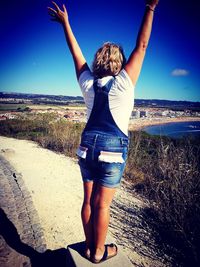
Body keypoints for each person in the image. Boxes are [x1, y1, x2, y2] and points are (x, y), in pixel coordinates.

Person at [48, 0, 159, 263]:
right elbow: (142, 46)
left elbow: (75, 53)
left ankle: (89, 245)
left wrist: (66, 23)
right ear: (119, 62)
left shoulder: (87, 82)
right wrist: (150, 8)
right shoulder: (124, 82)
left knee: (88, 200)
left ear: (98, 60)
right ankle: (98, 252)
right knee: (103, 204)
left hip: (87, 145)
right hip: (112, 148)